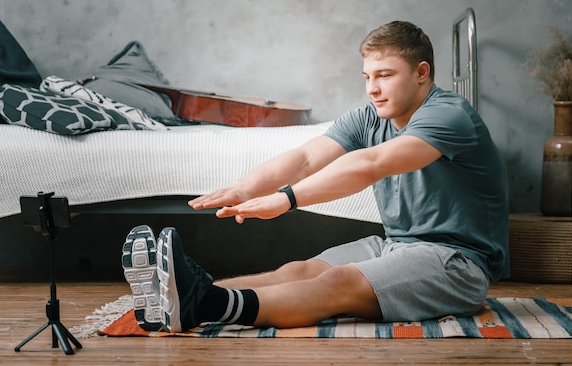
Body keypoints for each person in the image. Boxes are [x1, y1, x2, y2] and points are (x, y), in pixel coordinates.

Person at [121, 20, 509, 333]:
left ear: (422, 72)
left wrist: (287, 198)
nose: (372, 89)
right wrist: (246, 186)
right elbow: (307, 156)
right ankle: (177, 295)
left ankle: (204, 305)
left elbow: (371, 164)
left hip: (456, 263)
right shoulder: (369, 117)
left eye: (385, 75)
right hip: (396, 245)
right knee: (297, 271)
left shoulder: (448, 115)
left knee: (335, 282)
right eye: (366, 76)